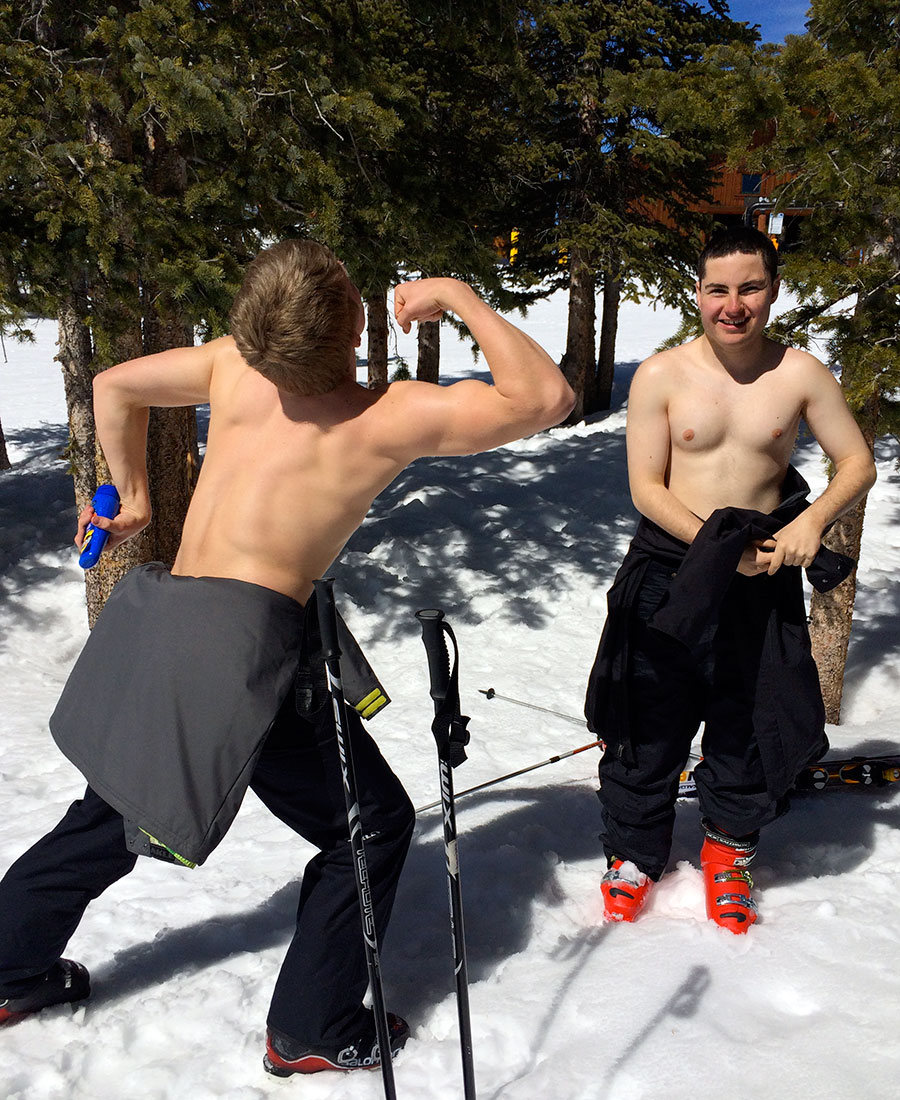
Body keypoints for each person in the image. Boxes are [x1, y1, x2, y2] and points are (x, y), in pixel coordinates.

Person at [0, 240, 574, 1073]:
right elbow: (546, 396)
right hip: (250, 656)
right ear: (351, 325)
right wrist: (456, 295)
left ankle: (10, 968)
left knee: (113, 813)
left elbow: (112, 384)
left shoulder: (236, 369)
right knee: (369, 828)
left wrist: (133, 496)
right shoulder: (387, 416)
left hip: (173, 625)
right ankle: (310, 1024)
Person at [585, 226, 876, 933]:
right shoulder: (661, 374)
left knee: (749, 715)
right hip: (667, 570)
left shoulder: (800, 374)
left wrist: (811, 525)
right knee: (645, 717)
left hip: (762, 573)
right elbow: (646, 489)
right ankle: (633, 853)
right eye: (719, 289)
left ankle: (730, 849)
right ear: (698, 293)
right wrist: (716, 552)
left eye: (749, 288)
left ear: (772, 291)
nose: (733, 305)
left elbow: (857, 463)